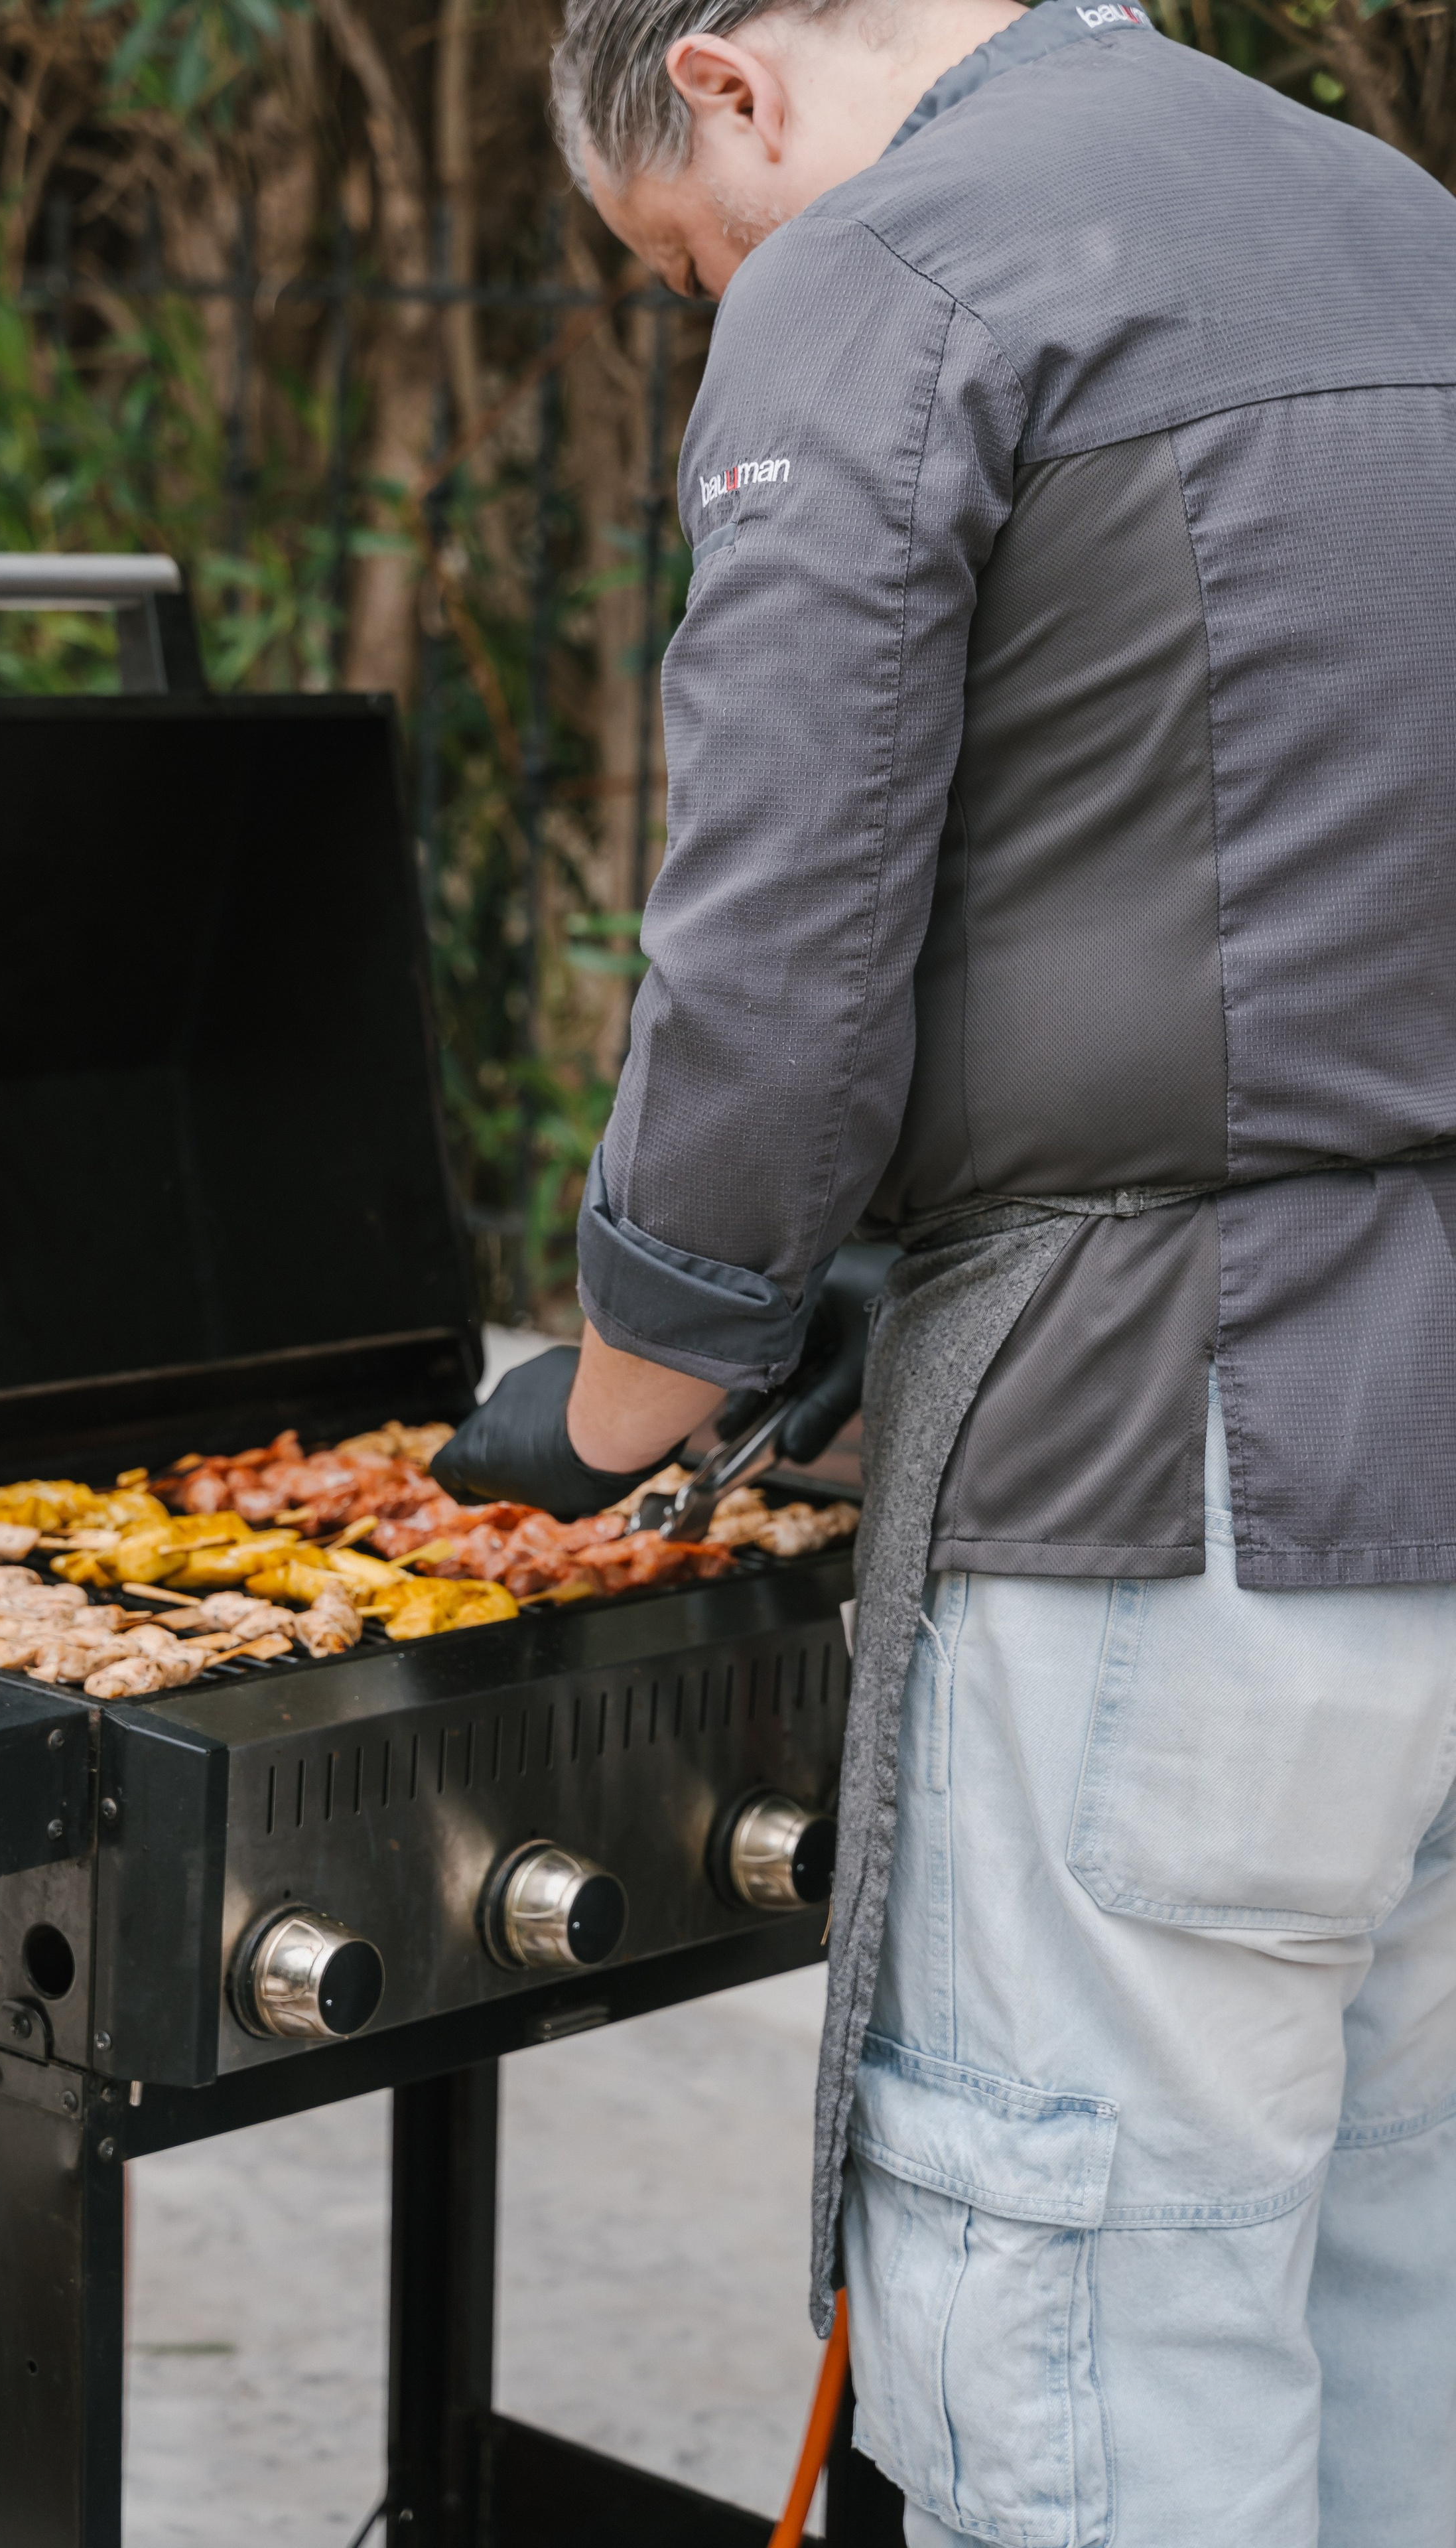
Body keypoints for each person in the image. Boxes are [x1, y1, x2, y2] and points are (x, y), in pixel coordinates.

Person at [429, 0, 1456, 2537]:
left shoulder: (896, 263)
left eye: (685, 257)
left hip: (1159, 1474)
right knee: (1401, 2303)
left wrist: (635, 1371)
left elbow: (777, 936)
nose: (713, 307)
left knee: (1093, 2336)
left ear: (727, 80)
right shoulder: (1390, 221)